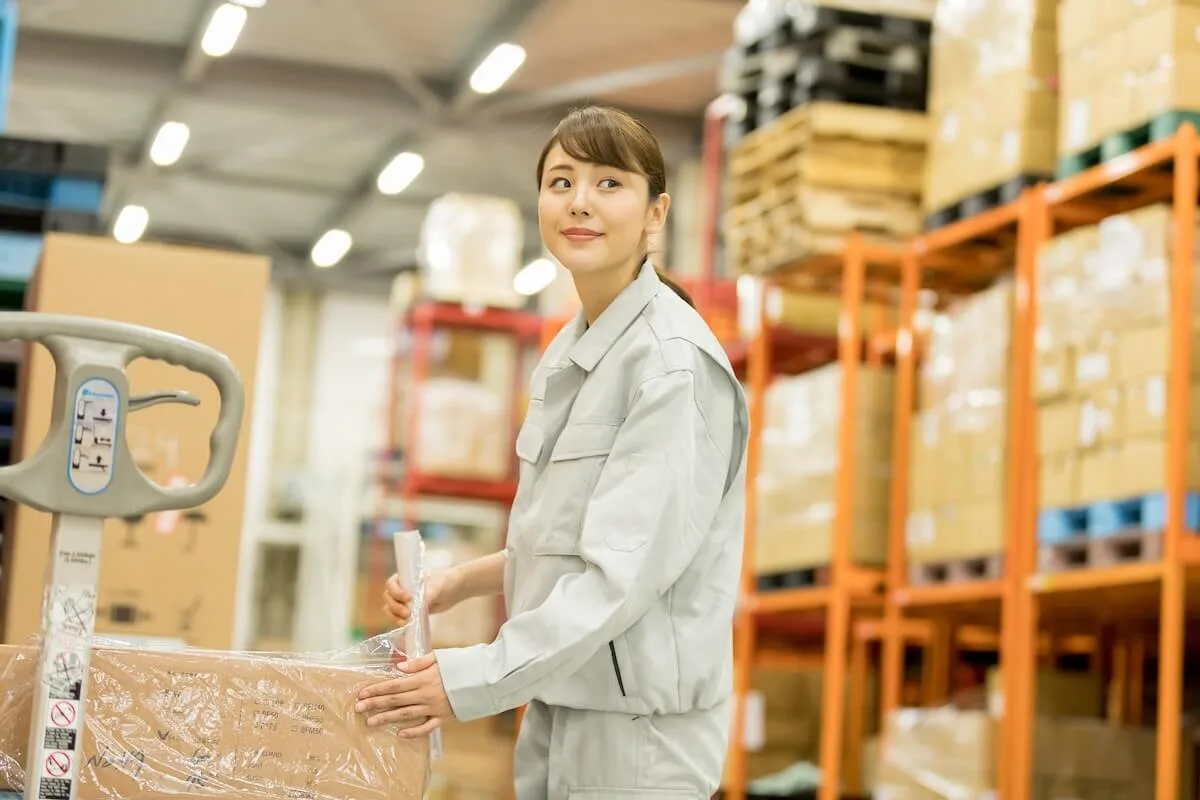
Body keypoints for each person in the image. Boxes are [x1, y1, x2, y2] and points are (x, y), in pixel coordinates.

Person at [354, 105, 749, 799]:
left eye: (608, 183)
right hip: (567, 697)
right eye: (561, 181)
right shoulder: (574, 351)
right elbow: (572, 538)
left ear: (656, 214)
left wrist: (472, 679)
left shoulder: (671, 368)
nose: (580, 203)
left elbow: (620, 576)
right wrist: (460, 583)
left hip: (638, 734)